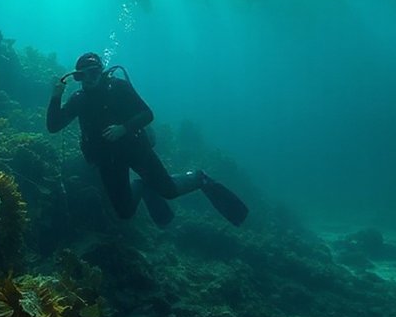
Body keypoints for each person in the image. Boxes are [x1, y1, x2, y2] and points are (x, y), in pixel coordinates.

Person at [47, 52, 248, 227]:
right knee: (125, 213)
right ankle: (142, 185)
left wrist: (123, 129)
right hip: (107, 160)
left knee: (169, 190)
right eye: (83, 75)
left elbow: (147, 114)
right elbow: (53, 126)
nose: (89, 79)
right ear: (77, 77)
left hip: (135, 149)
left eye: (93, 73)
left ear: (101, 72)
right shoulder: (79, 99)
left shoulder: (118, 87)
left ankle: (199, 178)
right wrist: (56, 97)